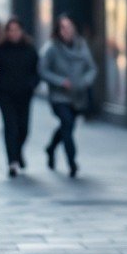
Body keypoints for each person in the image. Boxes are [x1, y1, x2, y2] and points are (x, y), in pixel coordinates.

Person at [38, 14, 97, 178]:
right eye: (63, 27)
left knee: (67, 126)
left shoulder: (81, 45)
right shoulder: (51, 48)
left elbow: (91, 68)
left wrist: (84, 81)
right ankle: (72, 162)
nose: (67, 30)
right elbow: (43, 70)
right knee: (67, 122)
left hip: (78, 96)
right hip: (59, 97)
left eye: (69, 27)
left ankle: (50, 148)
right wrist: (60, 81)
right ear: (58, 30)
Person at [0, 17, 39, 177]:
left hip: (24, 95)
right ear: (7, 32)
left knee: (23, 129)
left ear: (22, 31)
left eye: (17, 30)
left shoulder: (30, 49)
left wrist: (32, 85)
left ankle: (17, 153)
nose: (14, 33)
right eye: (11, 30)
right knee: (10, 128)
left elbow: (37, 71)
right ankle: (12, 162)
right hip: (6, 95)